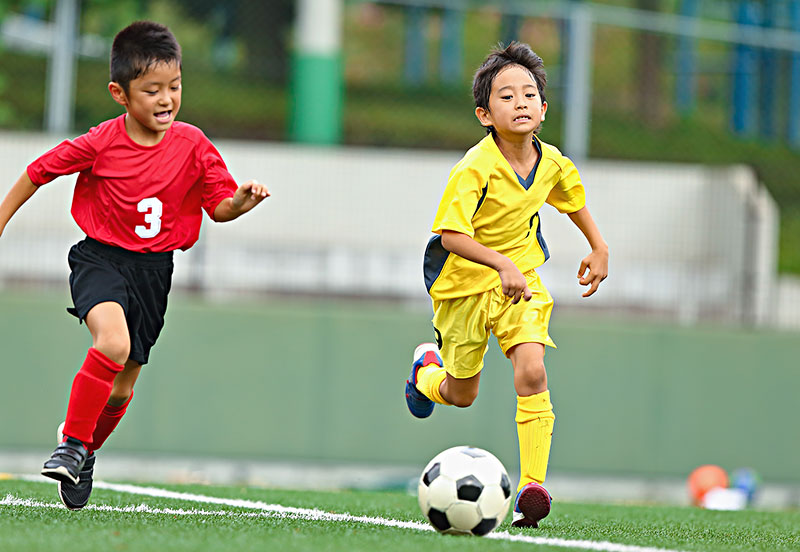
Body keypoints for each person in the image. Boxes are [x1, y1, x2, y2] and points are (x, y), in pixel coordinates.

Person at [0, 21, 269, 510]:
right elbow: (37, 172)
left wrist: (240, 202)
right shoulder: (100, 142)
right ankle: (72, 445)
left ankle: (84, 451)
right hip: (101, 259)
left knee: (121, 390)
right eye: (152, 90)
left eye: (175, 86)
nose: (166, 99)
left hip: (154, 273)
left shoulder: (193, 144)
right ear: (119, 94)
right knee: (113, 342)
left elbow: (218, 206)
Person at [405, 42, 608, 528]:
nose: (520, 102)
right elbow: (450, 236)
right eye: (506, 95)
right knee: (461, 394)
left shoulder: (551, 162)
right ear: (484, 114)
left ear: (544, 108)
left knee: (533, 371)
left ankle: (532, 489)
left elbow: (572, 199)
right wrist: (499, 263)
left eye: (529, 94)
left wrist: (598, 246)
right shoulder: (473, 168)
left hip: (522, 283)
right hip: (462, 290)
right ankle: (423, 372)